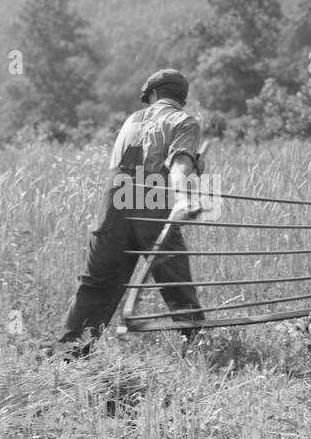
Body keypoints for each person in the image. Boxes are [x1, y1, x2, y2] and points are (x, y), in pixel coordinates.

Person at [56, 68, 207, 355]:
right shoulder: (184, 121)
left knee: (97, 283)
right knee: (175, 281)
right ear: (181, 99)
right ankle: (198, 346)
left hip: (115, 209)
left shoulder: (131, 120)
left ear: (152, 95)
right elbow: (178, 164)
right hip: (152, 204)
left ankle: (70, 351)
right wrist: (185, 196)